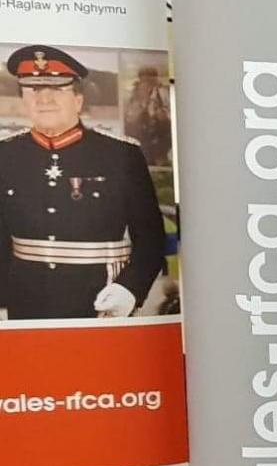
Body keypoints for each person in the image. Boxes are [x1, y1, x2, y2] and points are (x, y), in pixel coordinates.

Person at [0, 45, 167, 320]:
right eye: (34, 90)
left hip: (101, 301)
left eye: (57, 89)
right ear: (23, 101)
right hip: (26, 307)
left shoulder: (120, 154)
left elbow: (151, 237)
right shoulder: (6, 154)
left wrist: (130, 289)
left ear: (78, 100)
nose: (44, 99)